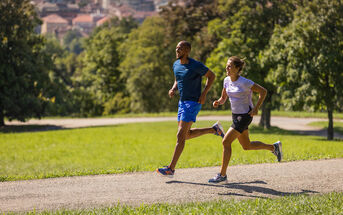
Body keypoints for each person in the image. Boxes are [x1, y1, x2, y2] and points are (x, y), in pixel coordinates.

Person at [208, 56, 282, 183]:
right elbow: (223, 98)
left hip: (245, 116)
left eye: (230, 66)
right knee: (246, 146)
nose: (227, 68)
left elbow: (263, 92)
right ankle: (274, 148)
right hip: (235, 116)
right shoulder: (226, 80)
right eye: (227, 65)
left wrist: (256, 108)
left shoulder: (245, 82)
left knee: (226, 142)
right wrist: (218, 102)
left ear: (237, 68)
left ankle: (222, 174)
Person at [156, 41, 225, 177]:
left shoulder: (195, 65)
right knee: (185, 135)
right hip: (182, 103)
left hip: (193, 102)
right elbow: (178, 78)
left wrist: (204, 93)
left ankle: (171, 168)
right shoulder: (176, 64)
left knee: (180, 135)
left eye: (180, 48)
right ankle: (214, 130)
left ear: (187, 51)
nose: (177, 50)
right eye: (176, 48)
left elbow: (212, 76)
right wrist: (173, 88)